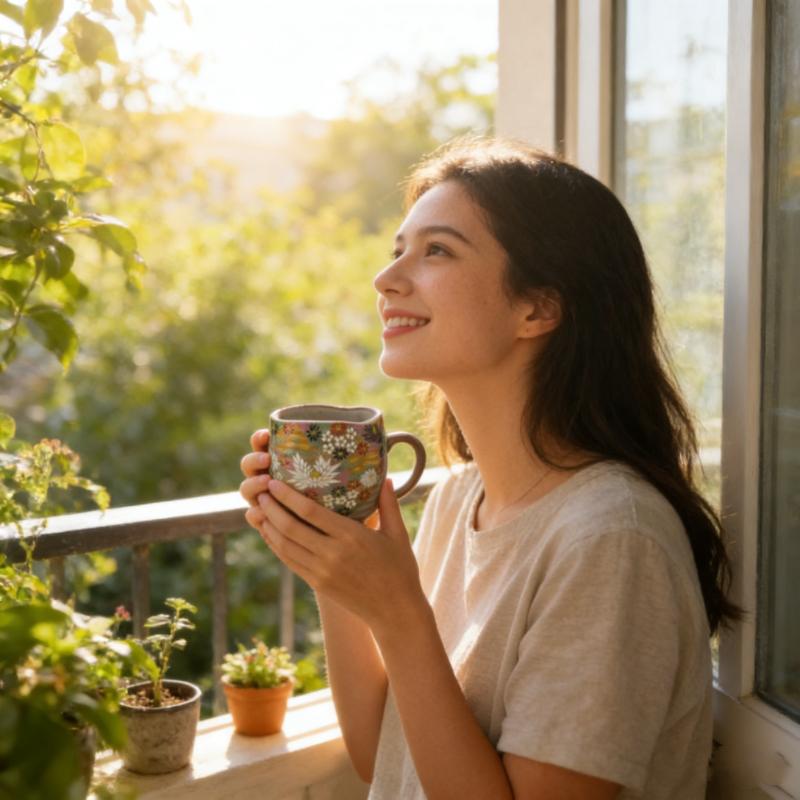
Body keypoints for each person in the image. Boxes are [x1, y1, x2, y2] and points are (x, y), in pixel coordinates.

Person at [238, 137, 744, 799]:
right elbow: (378, 751)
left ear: (537, 307)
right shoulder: (459, 500)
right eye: (398, 250)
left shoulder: (612, 540)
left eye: (437, 250)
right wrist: (331, 558)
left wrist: (399, 614)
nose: (386, 279)